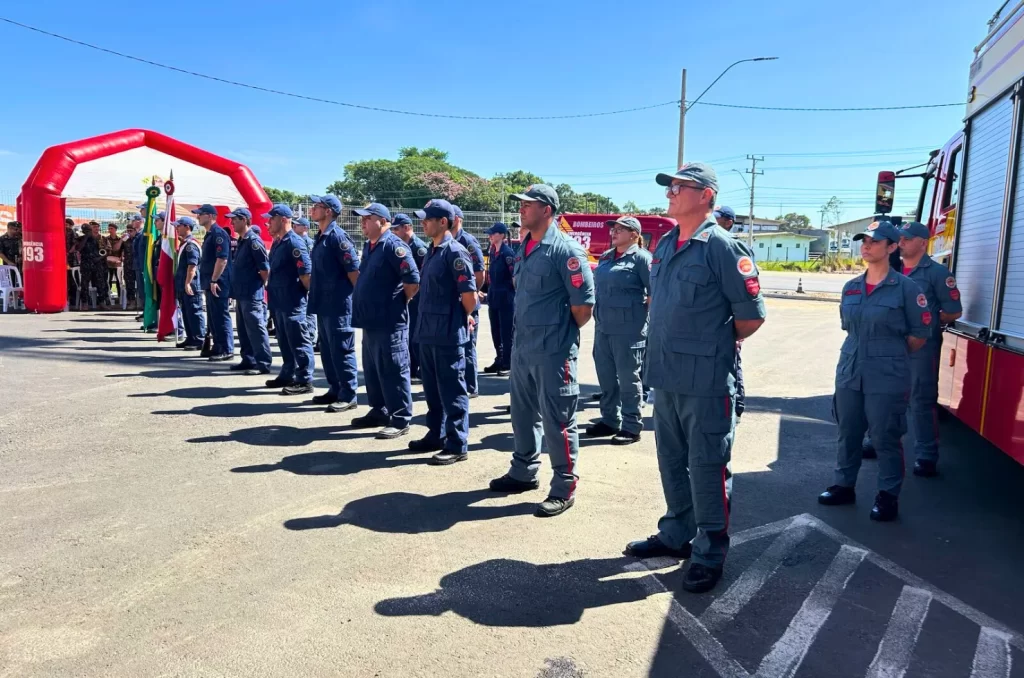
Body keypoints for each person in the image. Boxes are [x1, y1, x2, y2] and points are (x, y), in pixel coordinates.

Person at [625, 163, 766, 594]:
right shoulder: (665, 244)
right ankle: (675, 535)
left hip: (705, 381)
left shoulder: (722, 247)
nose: (670, 193)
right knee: (671, 462)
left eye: (679, 187)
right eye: (668, 186)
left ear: (705, 195)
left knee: (707, 467)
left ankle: (709, 552)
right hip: (665, 377)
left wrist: (712, 345)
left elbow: (750, 316)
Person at [488, 184, 595, 518]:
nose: (521, 209)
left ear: (546, 209)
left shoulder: (566, 251)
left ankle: (564, 486)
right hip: (524, 349)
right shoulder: (525, 247)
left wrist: (557, 334)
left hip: (554, 351)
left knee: (558, 421)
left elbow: (583, 308)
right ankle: (523, 471)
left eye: (528, 205)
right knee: (522, 415)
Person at [818, 220, 931, 522]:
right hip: (850, 369)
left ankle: (887, 495)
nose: (866, 246)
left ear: (892, 247)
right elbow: (849, 327)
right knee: (848, 431)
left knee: (885, 436)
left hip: (888, 373)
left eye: (875, 241)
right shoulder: (851, 287)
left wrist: (888, 353)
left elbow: (919, 334)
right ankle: (844, 486)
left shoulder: (907, 289)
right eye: (864, 240)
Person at [408, 199, 478, 465]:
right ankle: (435, 434)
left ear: (443, 222)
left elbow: (469, 296)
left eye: (427, 219)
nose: (423, 223)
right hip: (427, 332)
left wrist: (464, 316)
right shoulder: (432, 251)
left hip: (448, 333)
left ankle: (457, 442)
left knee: (452, 389)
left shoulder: (455, 252)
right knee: (432, 390)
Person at [896, 221, 963, 476]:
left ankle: (926, 455)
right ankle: (878, 441)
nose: (901, 242)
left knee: (920, 399)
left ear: (923, 243)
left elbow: (953, 311)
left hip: (922, 347)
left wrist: (929, 323)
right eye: (900, 238)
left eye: (907, 239)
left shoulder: (937, 274)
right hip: (892, 345)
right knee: (887, 395)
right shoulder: (893, 271)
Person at [350, 202, 420, 439]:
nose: (363, 223)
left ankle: (400, 417)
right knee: (373, 369)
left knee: (393, 369)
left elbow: (412, 281)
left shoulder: (394, 246)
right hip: (371, 321)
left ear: (382, 220)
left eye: (367, 218)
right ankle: (378, 410)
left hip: (390, 321)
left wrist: (398, 303)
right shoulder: (370, 246)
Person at [585, 216, 651, 446]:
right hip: (603, 327)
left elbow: (654, 295)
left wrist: (643, 320)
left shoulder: (642, 259)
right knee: (606, 378)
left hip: (629, 330)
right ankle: (610, 419)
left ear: (634, 234)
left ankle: (632, 426)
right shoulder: (606, 257)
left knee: (628, 379)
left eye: (620, 229)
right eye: (613, 229)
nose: (614, 232)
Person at [307, 195, 362, 413]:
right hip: (323, 303)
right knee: (328, 350)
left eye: (317, 206)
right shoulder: (321, 236)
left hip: (339, 304)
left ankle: (348, 394)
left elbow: (354, 272)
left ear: (328, 211)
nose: (312, 209)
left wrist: (356, 301)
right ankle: (335, 388)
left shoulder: (339, 237)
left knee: (342, 349)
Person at [262, 204, 315, 395]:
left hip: (293, 301)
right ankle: (288, 373)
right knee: (284, 340)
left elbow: (306, 274)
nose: (268, 222)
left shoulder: (294, 242)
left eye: (272, 218)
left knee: (299, 341)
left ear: (283, 219)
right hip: (279, 301)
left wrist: (310, 298)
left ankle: (304, 379)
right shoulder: (278, 242)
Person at [227, 207, 272, 375]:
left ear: (245, 220)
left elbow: (264, 269)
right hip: (241, 293)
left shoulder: (254, 241)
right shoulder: (242, 240)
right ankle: (248, 359)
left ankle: (263, 363)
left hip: (252, 293)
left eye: (235, 219)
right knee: (244, 329)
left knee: (256, 328)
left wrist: (260, 285)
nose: (232, 222)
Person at [451, 205, 485, 398]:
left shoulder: (467, 241)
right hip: (454, 304)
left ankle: (471, 387)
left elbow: (479, 274)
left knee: (467, 346)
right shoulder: (448, 240)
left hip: (468, 305)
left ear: (457, 219)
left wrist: (472, 295)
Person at [190, 204, 233, 361]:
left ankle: (226, 348)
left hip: (218, 281)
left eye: (200, 214)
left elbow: (222, 259)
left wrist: (214, 279)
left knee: (220, 315)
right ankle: (217, 346)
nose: (198, 217)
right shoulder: (210, 234)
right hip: (210, 281)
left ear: (210, 216)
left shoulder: (218, 234)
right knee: (214, 316)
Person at [392, 212, 429, 382]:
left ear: (407, 228)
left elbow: (422, 277)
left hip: (417, 297)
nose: (394, 232)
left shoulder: (419, 248)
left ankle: (420, 366)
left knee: (416, 333)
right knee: (408, 334)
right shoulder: (400, 246)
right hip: (407, 297)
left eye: (397, 229)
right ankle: (412, 367)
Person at [483, 222, 516, 376]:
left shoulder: (507, 253)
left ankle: (508, 362)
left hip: (506, 298)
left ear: (501, 235)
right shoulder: (493, 252)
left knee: (506, 332)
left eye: (493, 233)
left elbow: (514, 277)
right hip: (494, 297)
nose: (490, 236)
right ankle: (500, 359)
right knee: (495, 331)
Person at [172, 217, 206, 349]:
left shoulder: (191, 245)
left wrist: (187, 283)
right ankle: (191, 337)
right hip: (182, 283)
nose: (176, 228)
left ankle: (198, 339)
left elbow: (192, 266)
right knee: (186, 312)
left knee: (194, 311)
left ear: (187, 227)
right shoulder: (184, 243)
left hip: (191, 284)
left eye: (179, 226)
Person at [293, 216, 319, 350]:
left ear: (305, 228)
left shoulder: (307, 242)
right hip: (301, 279)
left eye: (297, 225)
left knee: (309, 310)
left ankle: (310, 335)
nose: (294, 226)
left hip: (307, 278)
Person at [77, 222, 109, 309]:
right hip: (86, 264)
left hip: (97, 264)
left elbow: (104, 251)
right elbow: (79, 249)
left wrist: (99, 258)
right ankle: (85, 303)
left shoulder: (99, 239)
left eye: (88, 230)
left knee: (100, 283)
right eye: (85, 231)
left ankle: (101, 302)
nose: (87, 232)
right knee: (85, 284)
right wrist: (86, 238)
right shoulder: (80, 239)